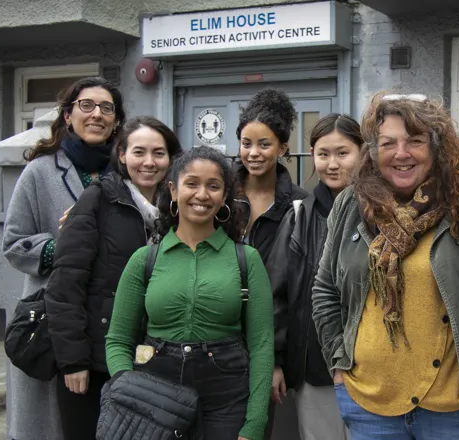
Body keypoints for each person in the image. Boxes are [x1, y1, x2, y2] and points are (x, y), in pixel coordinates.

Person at [311, 93, 459, 440]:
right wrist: (339, 365)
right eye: (389, 143)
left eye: (415, 141)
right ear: (373, 149)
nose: (402, 153)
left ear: (436, 147)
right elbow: (325, 289)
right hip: (371, 407)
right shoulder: (351, 205)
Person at [105, 146, 275, 440]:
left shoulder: (247, 260)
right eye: (191, 183)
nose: (202, 194)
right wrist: (127, 389)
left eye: (213, 186)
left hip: (227, 398)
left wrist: (255, 423)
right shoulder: (143, 261)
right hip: (154, 395)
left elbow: (261, 346)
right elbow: (118, 339)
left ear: (224, 196)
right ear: (173, 190)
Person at [2, 76, 126, 440]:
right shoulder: (40, 171)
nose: (96, 114)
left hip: (109, 314)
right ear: (68, 116)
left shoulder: (125, 171)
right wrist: (66, 245)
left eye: (106, 108)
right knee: (50, 424)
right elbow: (14, 243)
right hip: (53, 312)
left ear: (117, 120)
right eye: (86, 106)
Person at [44, 116, 182, 440]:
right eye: (139, 152)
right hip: (95, 362)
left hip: (158, 360)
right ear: (122, 155)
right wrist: (73, 360)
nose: (149, 162)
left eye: (159, 153)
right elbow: (65, 284)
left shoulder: (179, 208)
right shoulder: (98, 199)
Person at [267, 113, 362, 440]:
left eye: (343, 153)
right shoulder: (299, 216)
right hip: (314, 364)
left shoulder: (383, 213)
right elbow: (276, 293)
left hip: (374, 365)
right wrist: (275, 361)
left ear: (362, 153)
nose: (332, 164)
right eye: (323, 154)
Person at [234, 88, 308, 437]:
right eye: (246, 143)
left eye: (264, 145)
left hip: (267, 344)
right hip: (216, 336)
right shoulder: (217, 193)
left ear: (282, 149)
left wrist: (275, 359)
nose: (253, 153)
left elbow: (291, 291)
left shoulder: (299, 205)